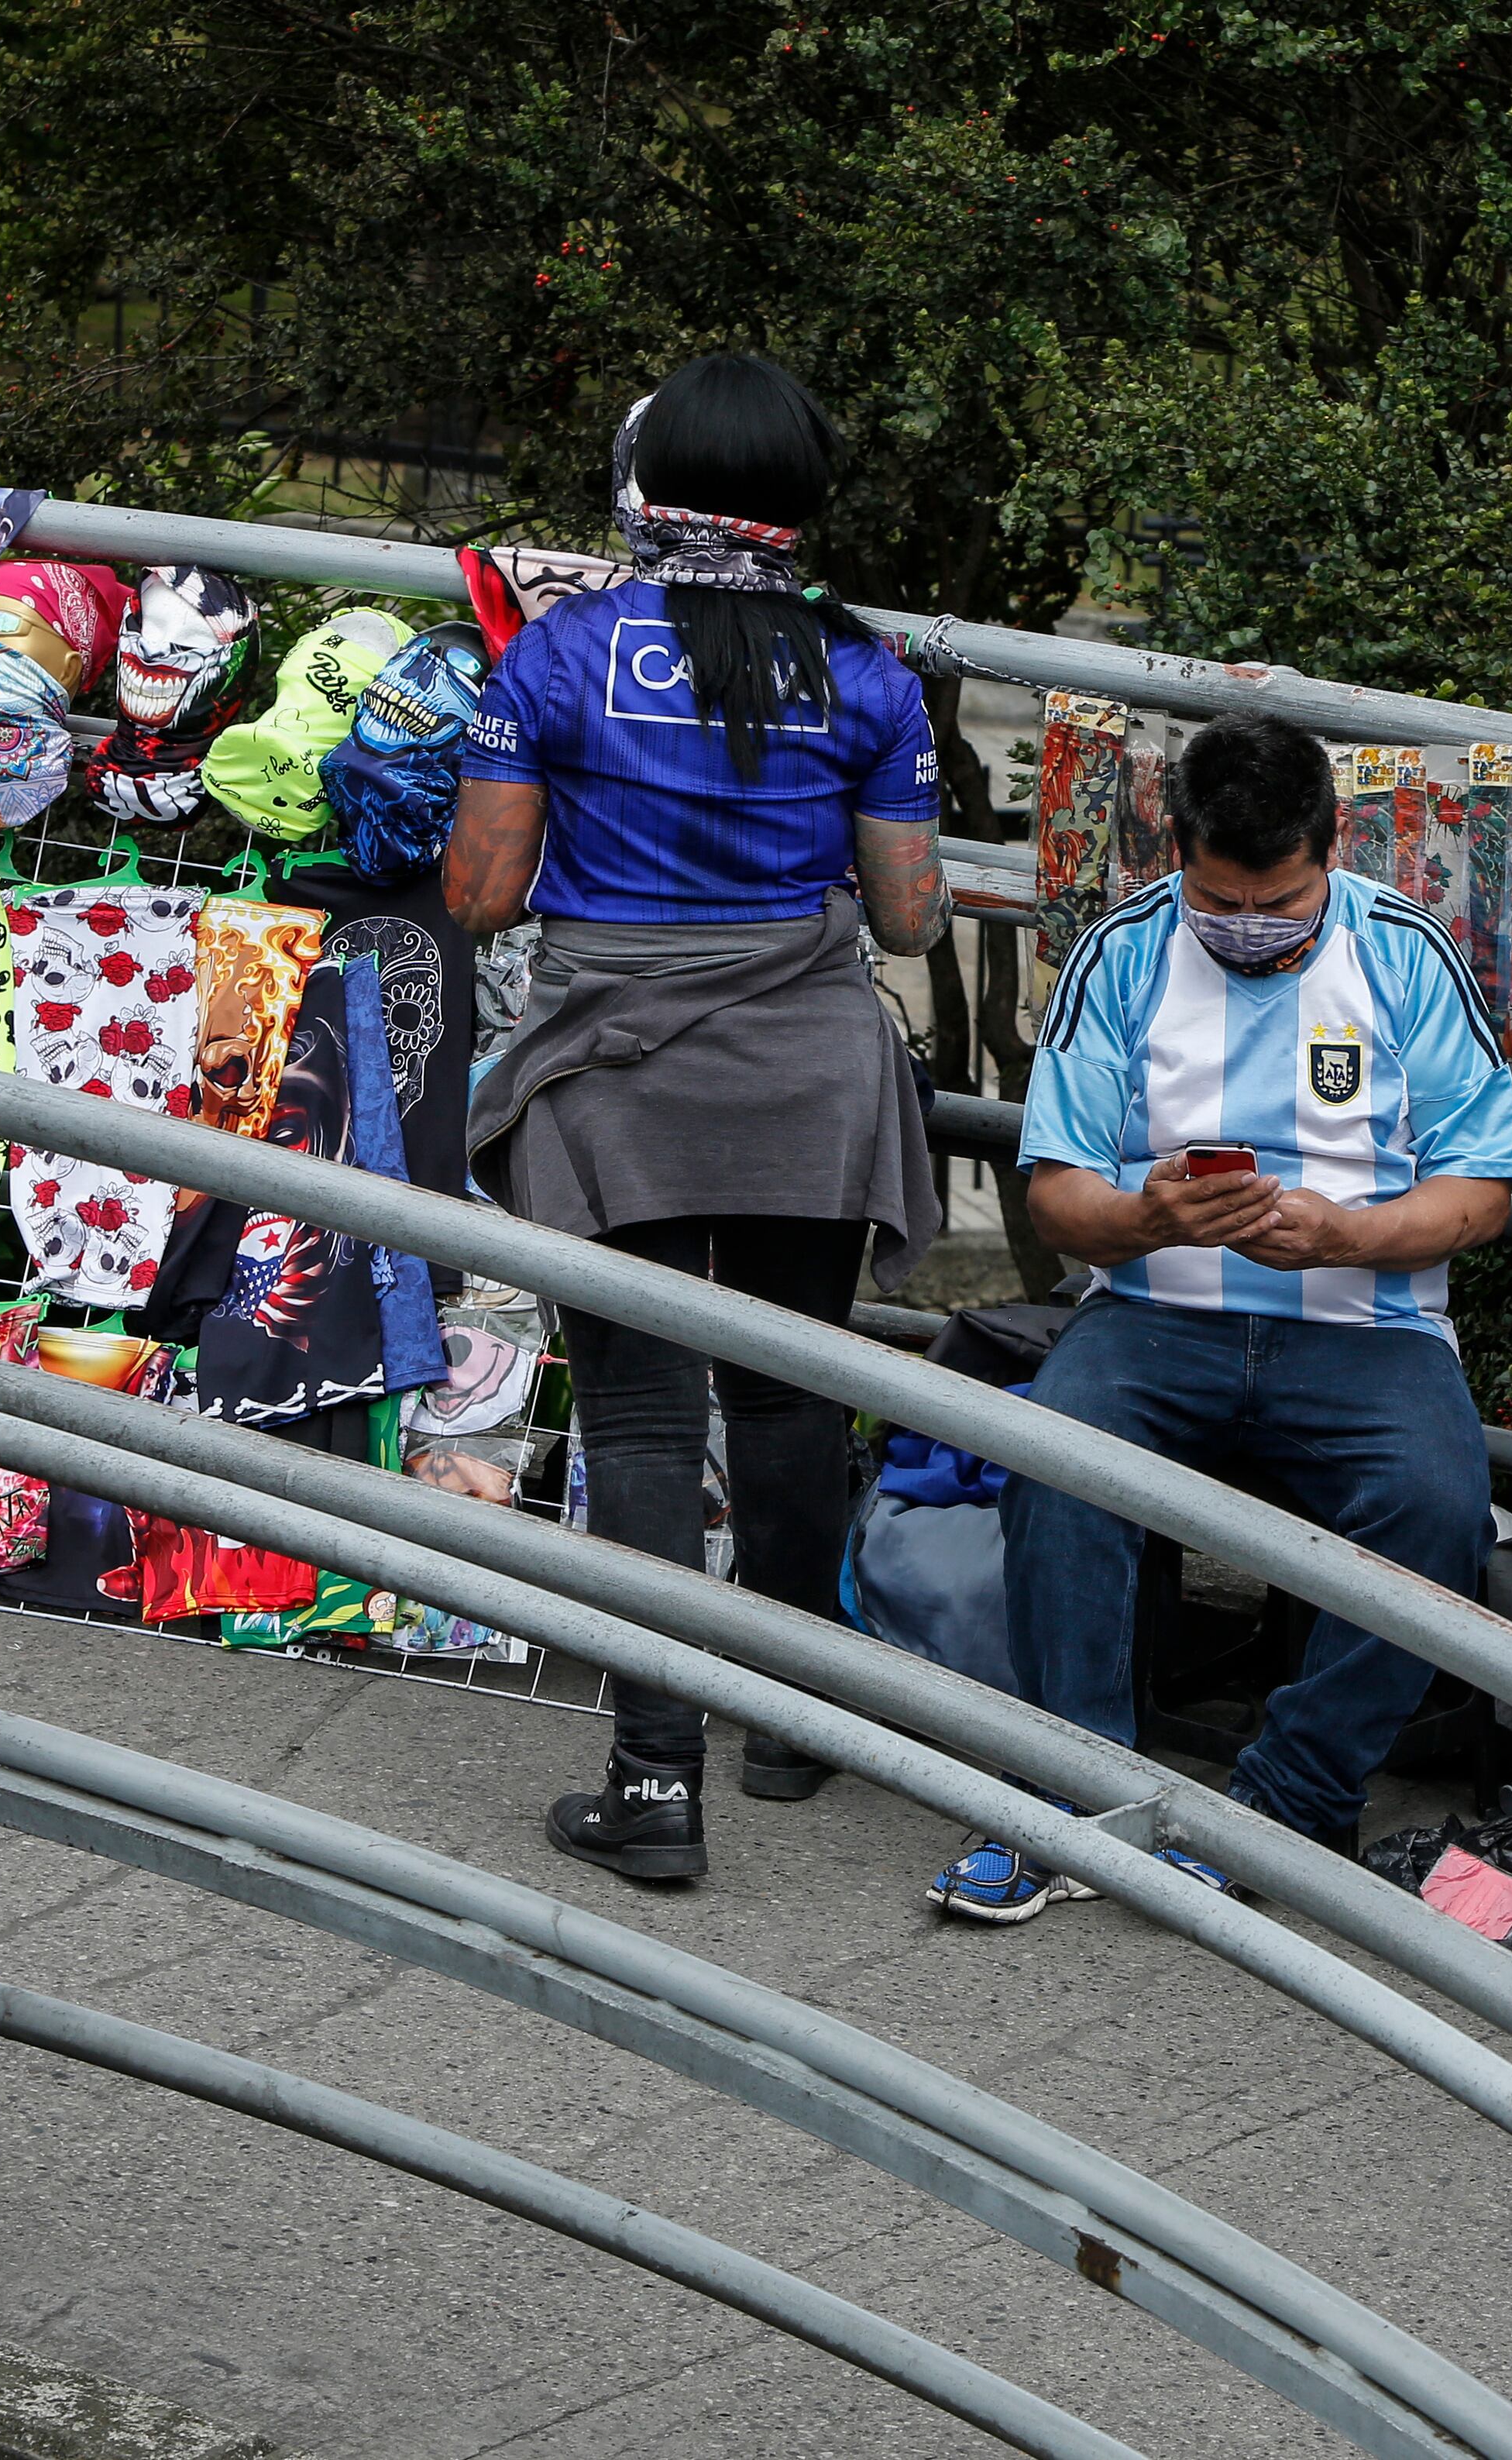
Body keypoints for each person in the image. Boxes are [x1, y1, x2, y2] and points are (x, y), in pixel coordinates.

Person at [448, 352, 951, 1883]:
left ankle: (653, 1785)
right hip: (811, 1073)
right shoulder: (869, 677)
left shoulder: (553, 659)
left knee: (648, 1420)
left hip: (617, 1078)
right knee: (794, 1396)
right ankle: (795, 1721)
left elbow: (479, 896)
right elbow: (912, 917)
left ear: (642, 484)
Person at [929, 709, 1512, 1922]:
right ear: (1179, 855)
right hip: (1157, 1318)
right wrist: (1147, 1217)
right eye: (1220, 901)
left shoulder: (1408, 950)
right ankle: (1070, 1796)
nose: (1248, 926)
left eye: (1280, 902)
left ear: (1330, 849)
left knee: (1437, 1506)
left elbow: (1483, 1193)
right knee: (1055, 1466)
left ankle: (1284, 1805)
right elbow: (1057, 1199)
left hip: (1370, 1332)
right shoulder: (1122, 951)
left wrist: (1350, 1234)